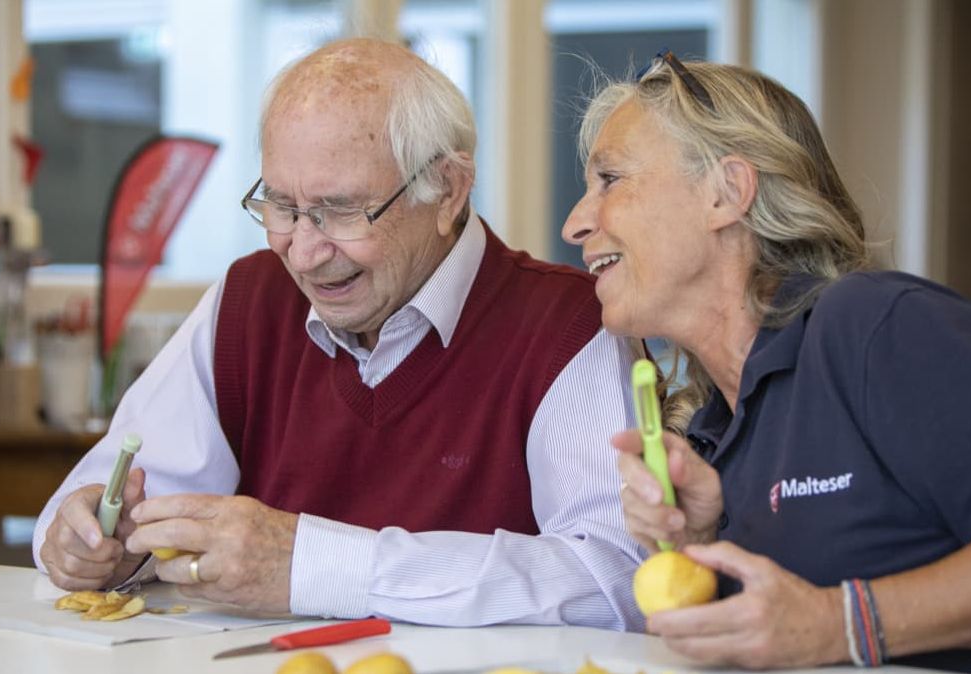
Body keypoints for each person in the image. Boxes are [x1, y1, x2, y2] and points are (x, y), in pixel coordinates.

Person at [34, 38, 648, 630]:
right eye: (281, 206)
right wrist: (101, 545)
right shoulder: (250, 298)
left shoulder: (568, 326)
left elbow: (613, 580)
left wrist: (313, 564)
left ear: (448, 191)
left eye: (342, 210)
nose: (302, 252)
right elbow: (105, 501)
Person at [561, 52, 971, 672]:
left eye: (609, 180)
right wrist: (698, 542)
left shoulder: (873, 327)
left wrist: (844, 624)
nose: (574, 223)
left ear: (727, 192)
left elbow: (817, 627)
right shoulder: (709, 432)